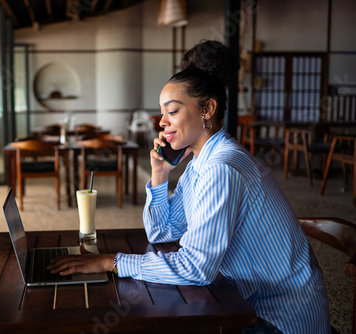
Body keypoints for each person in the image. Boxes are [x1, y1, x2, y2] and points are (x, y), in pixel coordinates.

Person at [48, 43, 330, 334]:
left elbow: (197, 268)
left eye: (172, 111)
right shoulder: (199, 164)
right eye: (162, 113)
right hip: (245, 299)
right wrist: (159, 175)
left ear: (207, 109)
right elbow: (162, 233)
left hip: (280, 318)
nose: (162, 122)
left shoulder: (221, 167)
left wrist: (111, 262)